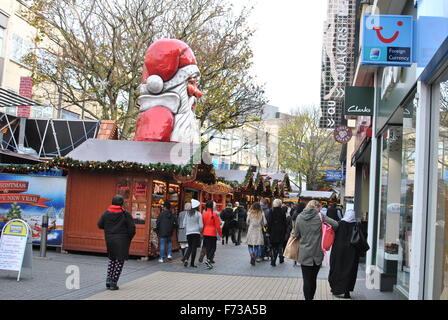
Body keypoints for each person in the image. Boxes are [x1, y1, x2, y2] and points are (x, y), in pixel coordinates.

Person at [293, 200, 339, 300]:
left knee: (306, 280)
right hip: (317, 254)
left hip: (304, 253)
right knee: (313, 279)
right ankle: (311, 298)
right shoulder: (320, 217)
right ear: (317, 207)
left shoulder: (300, 217)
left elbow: (295, 234)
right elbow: (335, 224)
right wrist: (325, 229)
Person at [97, 195, 136, 290]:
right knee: (120, 261)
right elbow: (132, 229)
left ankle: (108, 280)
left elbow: (99, 224)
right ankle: (114, 283)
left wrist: (108, 229)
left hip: (109, 239)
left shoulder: (106, 213)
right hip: (122, 240)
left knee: (112, 259)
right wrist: (128, 238)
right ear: (122, 203)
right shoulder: (125, 214)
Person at [328, 209, 360, 299]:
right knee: (349, 271)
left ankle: (335, 289)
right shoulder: (356, 225)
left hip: (338, 251)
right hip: (352, 252)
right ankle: (347, 292)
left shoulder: (339, 224)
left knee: (337, 268)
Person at [181, 199, 203, 268]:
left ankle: (186, 259)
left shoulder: (187, 214)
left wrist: (187, 228)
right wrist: (200, 231)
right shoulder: (198, 214)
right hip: (196, 233)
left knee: (190, 247)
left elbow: (184, 224)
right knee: (194, 248)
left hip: (188, 233)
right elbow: (201, 225)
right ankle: (192, 263)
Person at [202, 200, 222, 269]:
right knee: (213, 247)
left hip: (205, 232)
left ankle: (208, 261)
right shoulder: (214, 214)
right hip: (212, 233)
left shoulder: (204, 214)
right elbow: (218, 226)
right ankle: (208, 260)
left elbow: (203, 224)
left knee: (207, 248)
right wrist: (220, 234)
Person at [266, 199, 287, 266]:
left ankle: (273, 259)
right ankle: (277, 258)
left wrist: (267, 231)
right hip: (281, 231)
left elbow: (269, 222)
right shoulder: (283, 211)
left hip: (272, 231)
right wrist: (285, 231)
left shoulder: (271, 211)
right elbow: (285, 222)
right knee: (279, 245)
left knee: (272, 246)